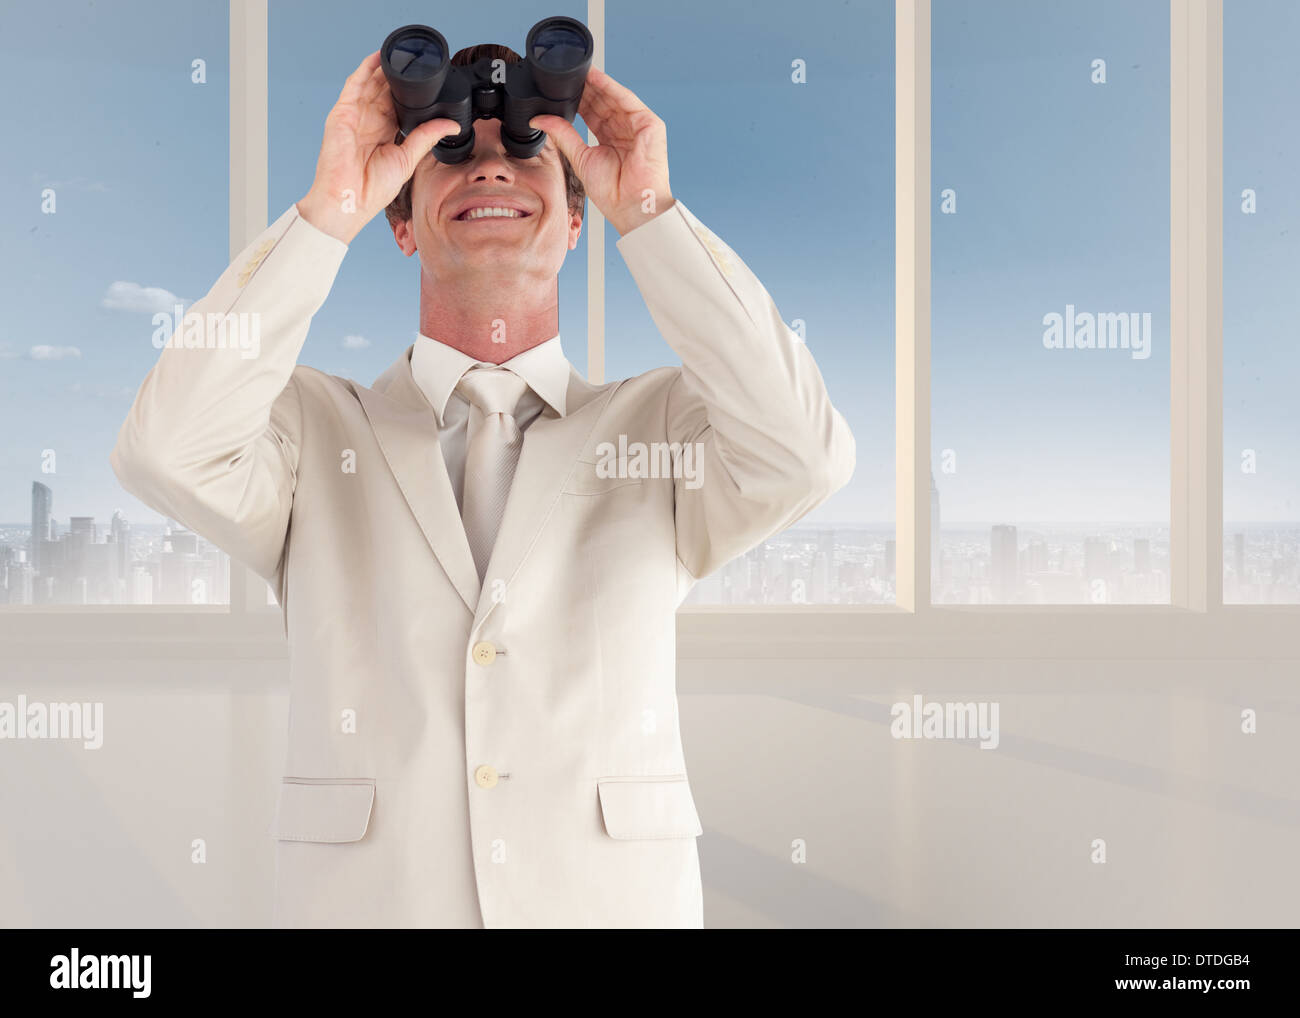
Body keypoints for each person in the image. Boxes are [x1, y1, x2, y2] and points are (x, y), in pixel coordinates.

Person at [110, 41, 856, 928]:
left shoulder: (657, 431)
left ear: (579, 222)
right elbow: (164, 449)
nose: (490, 165)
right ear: (399, 218)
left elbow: (804, 454)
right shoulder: (312, 432)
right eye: (452, 148)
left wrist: (651, 214)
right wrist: (326, 213)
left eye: (529, 145)